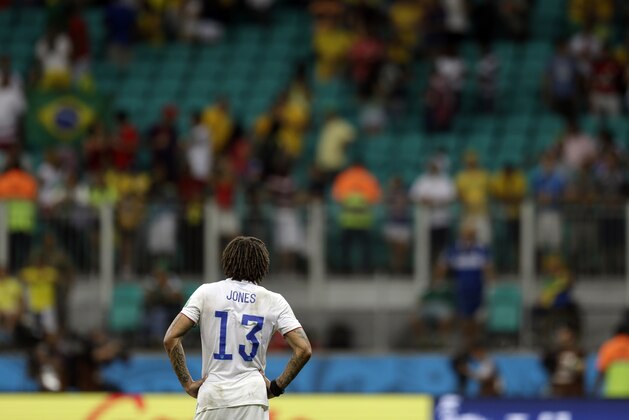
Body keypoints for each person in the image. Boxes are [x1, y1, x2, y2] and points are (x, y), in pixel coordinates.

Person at [163, 236, 312, 420]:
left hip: (213, 396)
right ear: (263, 266)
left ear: (227, 261)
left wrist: (187, 383)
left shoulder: (206, 293)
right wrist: (276, 387)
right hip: (251, 397)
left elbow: (171, 338)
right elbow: (303, 349)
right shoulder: (274, 301)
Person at [435, 224, 494, 347]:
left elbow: (488, 268)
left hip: (477, 289)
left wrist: (491, 283)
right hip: (462, 289)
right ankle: (466, 342)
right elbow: (442, 265)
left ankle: (474, 342)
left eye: (472, 236)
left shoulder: (481, 249)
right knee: (464, 317)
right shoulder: (454, 249)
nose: (469, 239)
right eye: (467, 236)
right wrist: (439, 282)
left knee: (477, 318)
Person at [409, 159, 456, 267]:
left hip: (442, 219)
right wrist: (424, 200)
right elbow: (413, 196)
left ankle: (440, 270)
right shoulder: (422, 180)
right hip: (426, 220)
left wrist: (437, 201)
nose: (433, 168)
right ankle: (428, 270)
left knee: (442, 246)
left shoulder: (445, 181)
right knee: (427, 247)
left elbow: (452, 197)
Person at [543, 326, 586, 397]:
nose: (562, 338)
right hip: (558, 387)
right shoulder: (555, 352)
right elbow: (549, 368)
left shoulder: (577, 352)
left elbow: (581, 369)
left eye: (565, 335)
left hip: (572, 388)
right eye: (561, 336)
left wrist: (572, 364)